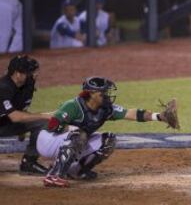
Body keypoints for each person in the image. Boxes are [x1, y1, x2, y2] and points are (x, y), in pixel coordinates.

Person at [38, 76, 178, 187]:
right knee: (78, 134)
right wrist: (72, 128)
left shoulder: (105, 108)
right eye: (103, 92)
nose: (106, 95)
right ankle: (53, 176)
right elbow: (52, 124)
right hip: (48, 141)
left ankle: (76, 171)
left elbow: (131, 113)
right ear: (92, 93)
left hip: (71, 141)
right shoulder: (73, 106)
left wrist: (159, 117)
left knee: (108, 140)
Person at [0, 55, 50, 174]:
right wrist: (44, 115)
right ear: (18, 74)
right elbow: (15, 116)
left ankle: (29, 162)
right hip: (7, 121)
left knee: (43, 123)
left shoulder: (27, 85)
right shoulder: (4, 88)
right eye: (30, 72)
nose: (34, 74)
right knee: (44, 119)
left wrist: (24, 128)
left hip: (6, 124)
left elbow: (20, 110)